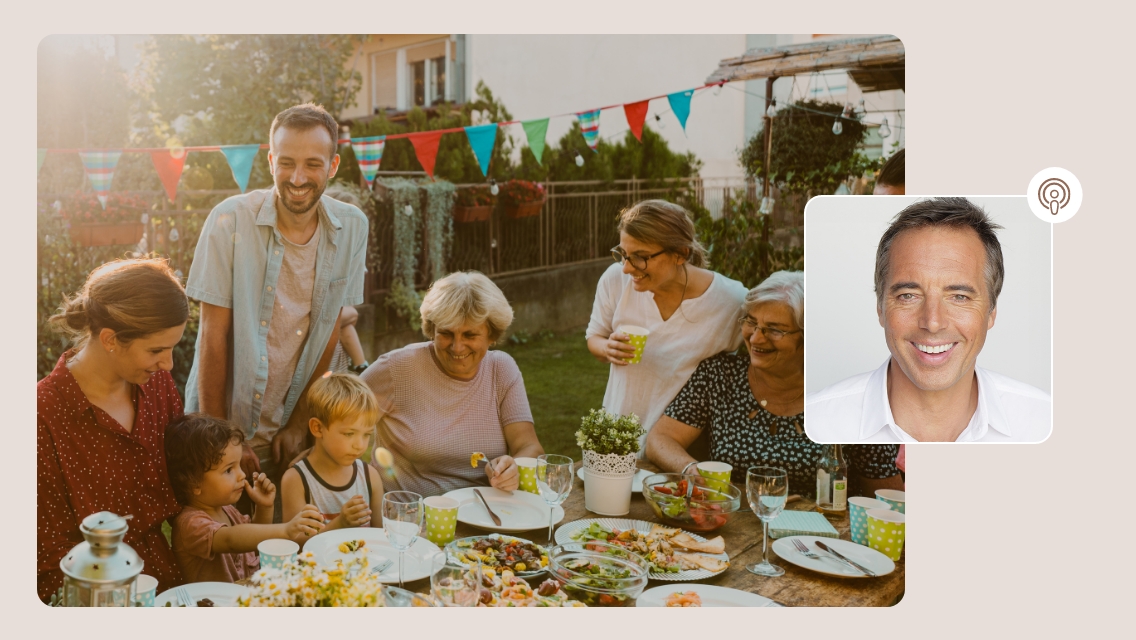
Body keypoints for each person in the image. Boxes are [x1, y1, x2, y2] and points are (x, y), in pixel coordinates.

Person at [183, 103, 370, 497]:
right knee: (223, 545)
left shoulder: (353, 226)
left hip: (296, 429)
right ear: (270, 161)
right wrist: (224, 441)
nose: (298, 178)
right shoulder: (229, 219)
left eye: (312, 164)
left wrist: (301, 421)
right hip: (224, 425)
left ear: (333, 165)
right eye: (286, 162)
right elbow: (213, 337)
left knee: (300, 546)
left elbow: (330, 330)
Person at [806, 198, 1052, 443]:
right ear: (880, 307)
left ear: (992, 311)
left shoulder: (1045, 423)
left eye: (959, 296)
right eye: (908, 296)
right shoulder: (819, 423)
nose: (933, 322)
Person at [645, 272, 903, 496]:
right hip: (735, 527)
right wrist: (690, 469)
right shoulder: (719, 376)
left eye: (775, 329)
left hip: (821, 540)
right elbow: (660, 438)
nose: (756, 338)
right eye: (751, 322)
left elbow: (887, 496)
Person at [37, 258, 189, 601]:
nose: (169, 364)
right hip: (93, 597)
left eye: (172, 348)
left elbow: (186, 482)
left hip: (172, 586)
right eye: (156, 350)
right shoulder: (41, 414)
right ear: (110, 339)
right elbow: (46, 556)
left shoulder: (157, 383)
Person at [361, 271, 544, 496]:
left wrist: (513, 466)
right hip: (411, 517)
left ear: (491, 334)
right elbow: (334, 419)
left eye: (470, 335)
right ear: (432, 330)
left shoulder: (501, 369)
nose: (457, 347)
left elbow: (529, 447)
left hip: (486, 514)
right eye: (446, 333)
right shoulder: (396, 369)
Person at [586, 200, 747, 448]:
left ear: (681, 254)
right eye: (623, 254)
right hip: (617, 437)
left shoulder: (731, 301)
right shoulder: (614, 280)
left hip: (682, 448)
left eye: (641, 257)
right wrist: (607, 348)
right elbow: (594, 337)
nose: (627, 268)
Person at [166, 414, 326, 583]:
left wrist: (264, 507)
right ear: (194, 483)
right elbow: (230, 540)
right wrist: (285, 530)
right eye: (229, 470)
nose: (242, 475)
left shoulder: (227, 510)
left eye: (239, 465)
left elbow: (254, 543)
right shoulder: (190, 524)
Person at [281, 372, 384, 527]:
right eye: (349, 434)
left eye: (366, 434)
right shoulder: (296, 480)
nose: (360, 445)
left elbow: (381, 536)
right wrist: (340, 523)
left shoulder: (370, 477)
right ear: (317, 428)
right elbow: (296, 543)